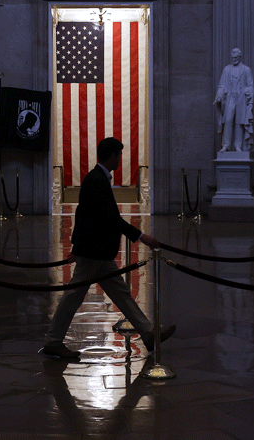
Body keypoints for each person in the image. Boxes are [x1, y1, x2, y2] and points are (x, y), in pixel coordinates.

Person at [42, 137, 175, 360]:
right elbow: (109, 218)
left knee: (121, 294)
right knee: (73, 297)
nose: (120, 159)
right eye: (119, 155)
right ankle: (53, 341)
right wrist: (142, 237)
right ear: (112, 155)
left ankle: (148, 333)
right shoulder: (96, 180)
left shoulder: (96, 178)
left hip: (99, 252)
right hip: (93, 252)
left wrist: (76, 245)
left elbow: (83, 215)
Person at [213, 47, 254, 153]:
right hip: (230, 97)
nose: (234, 59)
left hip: (241, 98)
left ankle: (238, 146)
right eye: (232, 57)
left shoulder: (246, 69)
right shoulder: (227, 69)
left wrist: (248, 92)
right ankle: (226, 145)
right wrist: (219, 95)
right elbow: (222, 84)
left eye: (236, 57)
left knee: (239, 123)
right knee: (227, 121)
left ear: (240, 57)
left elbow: (250, 85)